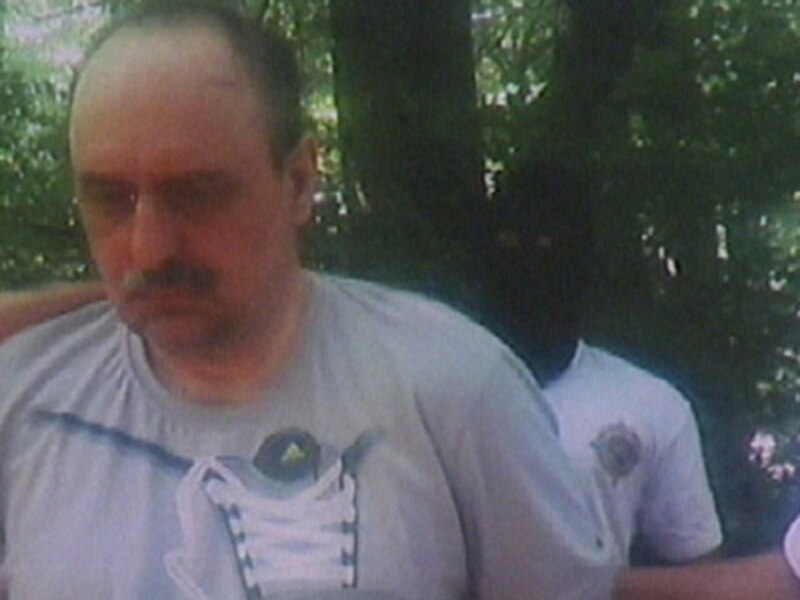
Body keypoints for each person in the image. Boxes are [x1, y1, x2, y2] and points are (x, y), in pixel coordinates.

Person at [0, 2, 617, 599]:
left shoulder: (454, 390)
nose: (149, 249)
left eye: (198, 195)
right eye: (111, 199)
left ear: (298, 182)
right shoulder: (24, 397)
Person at [480, 159, 722, 566]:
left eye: (550, 244)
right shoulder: (430, 393)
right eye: (509, 241)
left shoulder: (650, 404)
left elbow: (700, 571)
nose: (531, 262)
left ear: (583, 259)